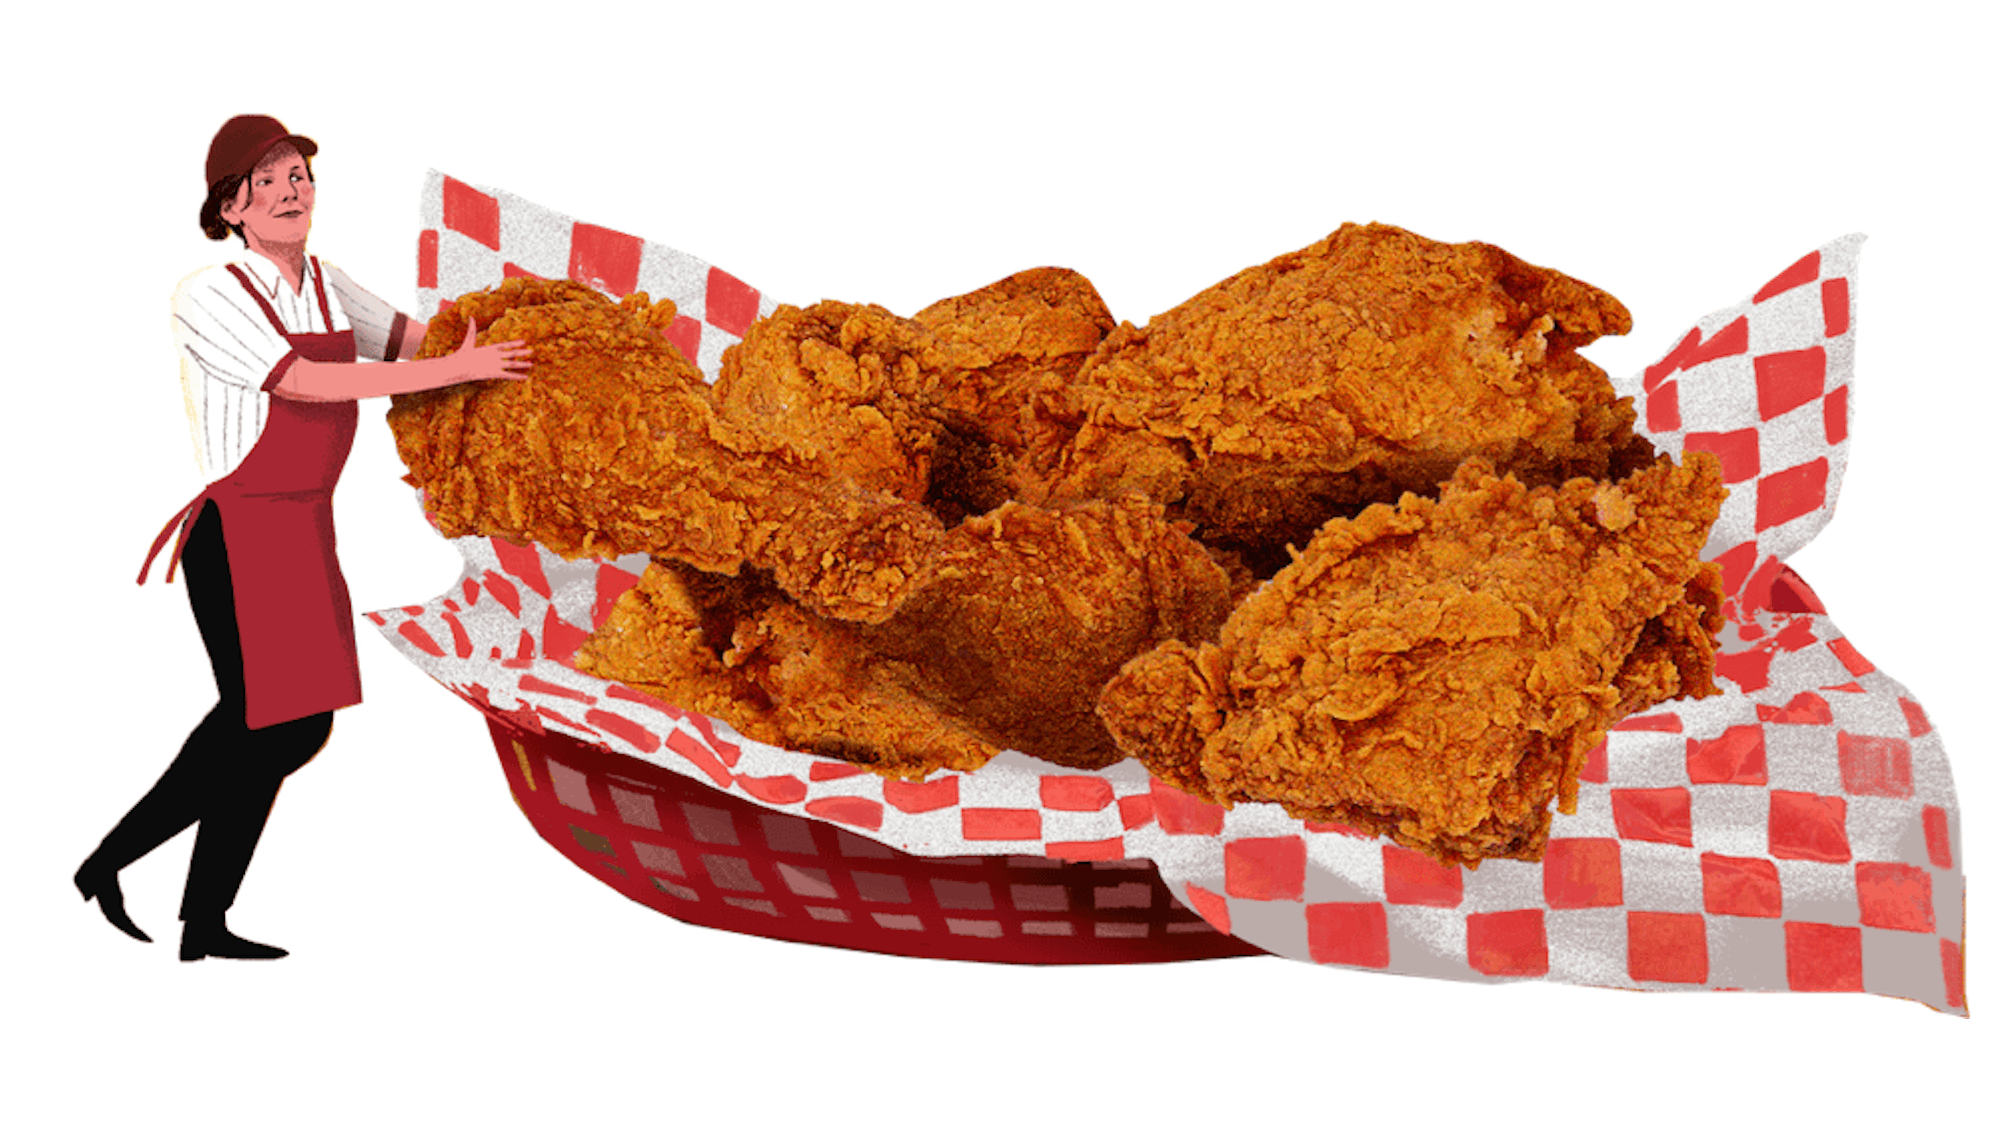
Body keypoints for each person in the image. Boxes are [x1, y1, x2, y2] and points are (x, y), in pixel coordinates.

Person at [74, 115, 533, 962]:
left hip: (304, 527)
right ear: (233, 206)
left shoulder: (327, 281)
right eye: (271, 179)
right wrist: (453, 371)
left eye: (300, 175)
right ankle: (118, 867)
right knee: (268, 724)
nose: (292, 190)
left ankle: (192, 917)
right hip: (239, 531)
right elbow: (310, 381)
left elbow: (409, 340)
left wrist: (517, 351)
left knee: (288, 725)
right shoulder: (208, 293)